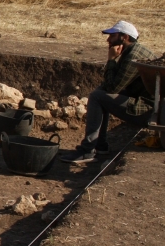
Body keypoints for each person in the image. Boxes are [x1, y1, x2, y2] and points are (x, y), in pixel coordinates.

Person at [61, 21, 157, 164]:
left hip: (148, 111)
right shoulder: (132, 51)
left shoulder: (133, 56)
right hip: (146, 104)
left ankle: (88, 150)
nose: (108, 40)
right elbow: (108, 85)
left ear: (124, 37)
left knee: (97, 97)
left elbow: (113, 88)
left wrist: (111, 59)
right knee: (100, 92)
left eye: (112, 36)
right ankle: (100, 146)